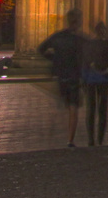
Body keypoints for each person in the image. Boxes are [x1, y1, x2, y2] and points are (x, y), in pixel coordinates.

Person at [37, 8, 86, 148]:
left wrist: (54, 59)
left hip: (61, 75)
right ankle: (70, 139)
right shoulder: (80, 39)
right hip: (74, 76)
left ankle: (53, 132)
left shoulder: (57, 37)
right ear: (78, 22)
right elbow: (86, 58)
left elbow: (41, 48)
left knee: (62, 104)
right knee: (73, 108)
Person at [83, 19, 108, 146]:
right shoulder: (105, 44)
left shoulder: (88, 44)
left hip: (91, 79)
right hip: (103, 79)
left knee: (91, 109)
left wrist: (84, 80)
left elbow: (85, 62)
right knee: (102, 110)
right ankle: (100, 139)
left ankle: (91, 138)